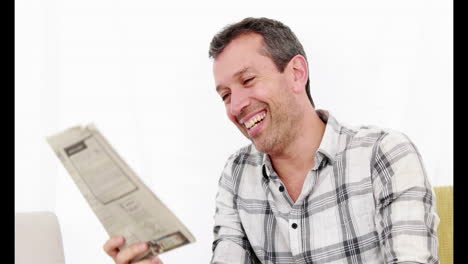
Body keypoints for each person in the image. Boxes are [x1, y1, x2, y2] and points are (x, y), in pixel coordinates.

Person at [103, 17, 440, 264]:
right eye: (224, 95)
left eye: (248, 80)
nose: (236, 106)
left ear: (296, 73)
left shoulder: (385, 154)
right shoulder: (237, 174)